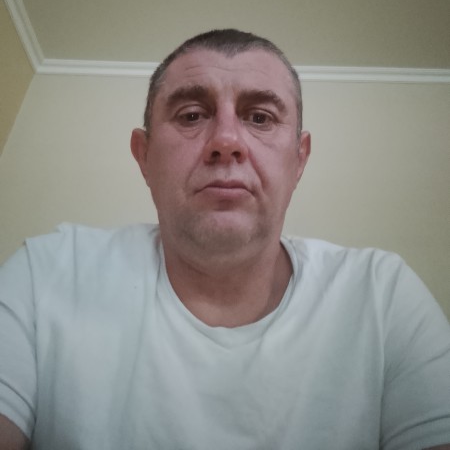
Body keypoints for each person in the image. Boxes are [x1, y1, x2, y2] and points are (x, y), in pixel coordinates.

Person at [0, 29, 449, 450]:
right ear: (145, 156)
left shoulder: (382, 296)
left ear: (299, 160)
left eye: (260, 117)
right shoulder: (46, 276)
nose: (227, 140)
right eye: (192, 115)